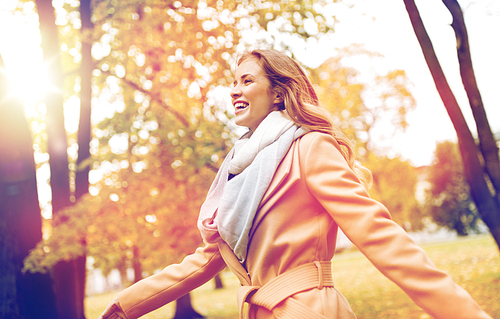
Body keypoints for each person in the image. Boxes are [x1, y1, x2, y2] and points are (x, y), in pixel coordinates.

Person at [98, 49, 491, 319]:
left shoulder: (311, 148)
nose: (234, 89)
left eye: (247, 80)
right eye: (232, 82)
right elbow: (205, 260)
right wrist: (124, 307)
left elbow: (382, 239)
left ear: (277, 92)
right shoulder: (237, 173)